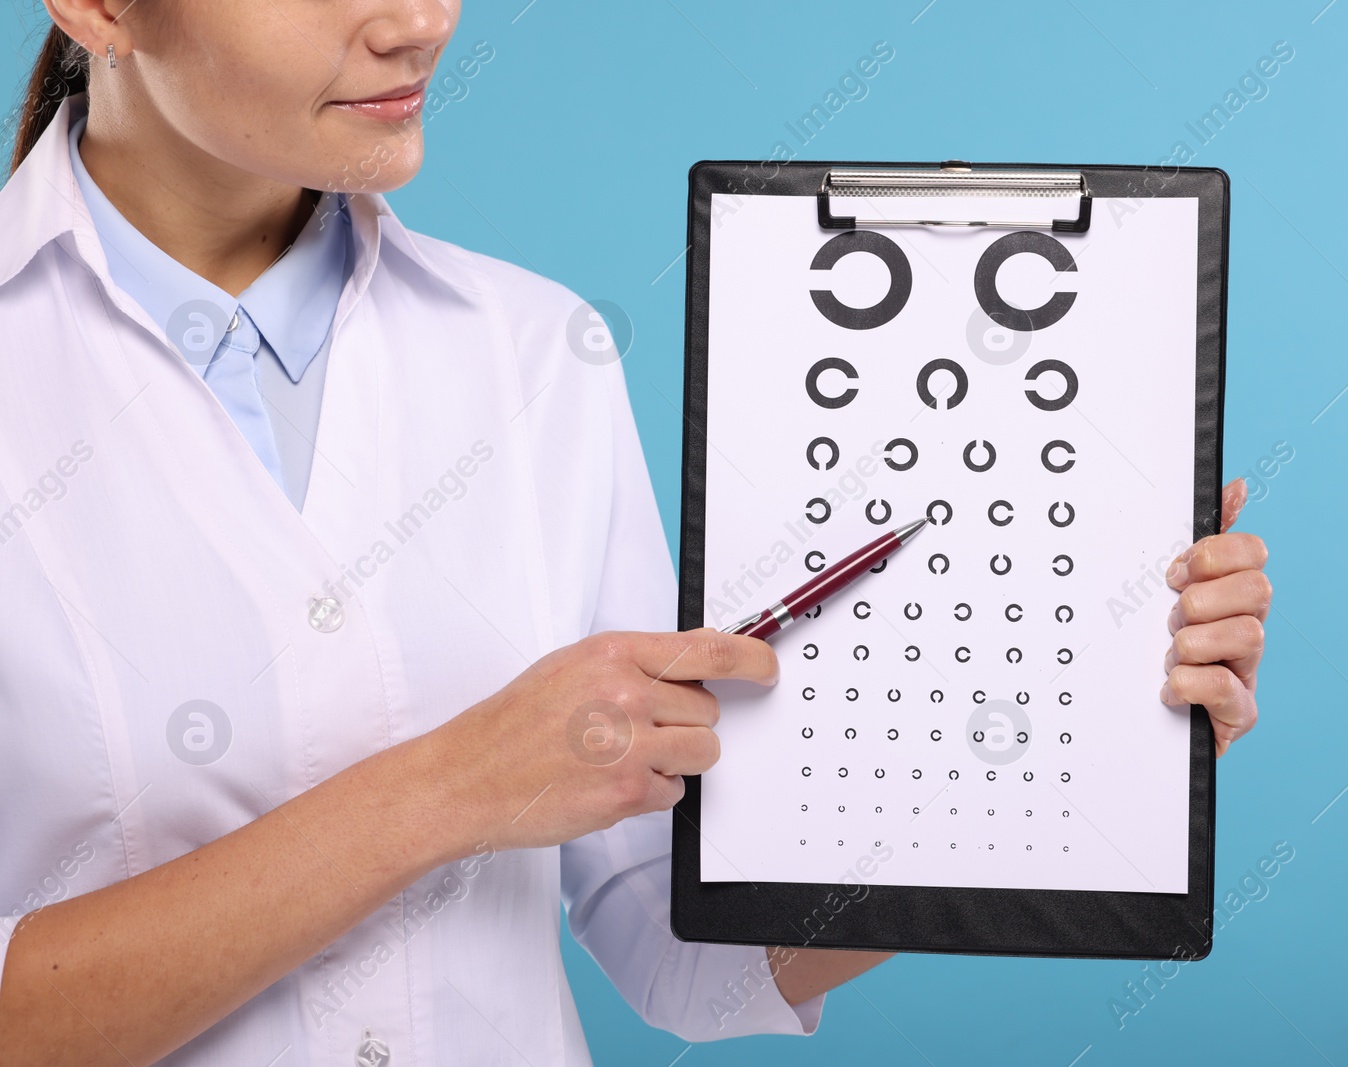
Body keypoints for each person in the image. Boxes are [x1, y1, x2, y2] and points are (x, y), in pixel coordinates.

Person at [0, 2, 1273, 1065]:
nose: (422, 23)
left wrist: (1078, 736)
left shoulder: (533, 350)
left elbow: (672, 945)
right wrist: (448, 788)